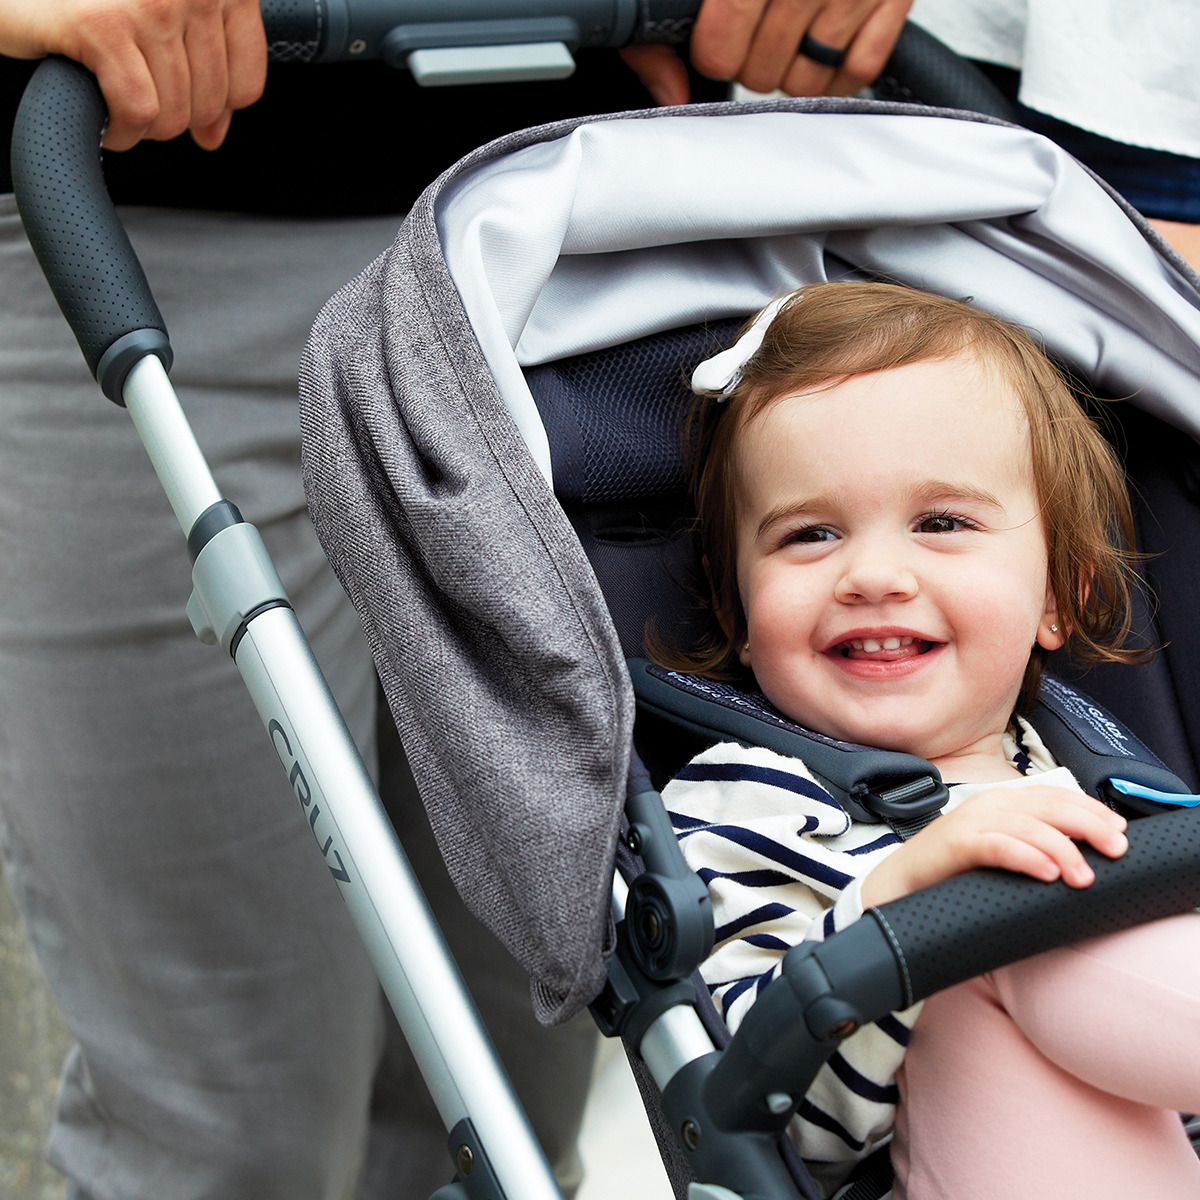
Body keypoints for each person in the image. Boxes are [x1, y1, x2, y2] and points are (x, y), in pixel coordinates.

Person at [653, 281, 1200, 1199]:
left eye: (941, 523)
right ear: (734, 606)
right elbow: (758, 1116)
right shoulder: (741, 801)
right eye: (810, 534)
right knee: (1001, 926)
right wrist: (901, 900)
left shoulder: (1089, 765)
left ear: (1059, 593)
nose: (873, 574)